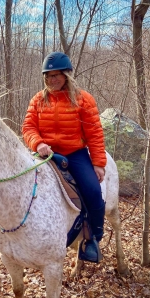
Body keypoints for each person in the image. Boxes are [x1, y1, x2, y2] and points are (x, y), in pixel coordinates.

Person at [22, 51, 106, 263]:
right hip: (46, 154)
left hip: (74, 154)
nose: (52, 80)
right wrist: (38, 143)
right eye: (49, 76)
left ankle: (93, 238)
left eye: (57, 75)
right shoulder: (38, 100)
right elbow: (29, 127)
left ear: (67, 75)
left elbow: (94, 133)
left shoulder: (83, 100)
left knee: (93, 190)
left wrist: (98, 163)